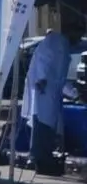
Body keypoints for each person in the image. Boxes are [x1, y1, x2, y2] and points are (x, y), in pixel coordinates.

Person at [26, 28, 72, 175]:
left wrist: (72, 93)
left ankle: (41, 157)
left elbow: (60, 78)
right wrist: (42, 79)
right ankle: (40, 159)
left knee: (45, 125)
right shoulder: (54, 44)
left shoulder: (59, 44)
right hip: (44, 92)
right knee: (42, 125)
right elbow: (43, 65)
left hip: (48, 93)